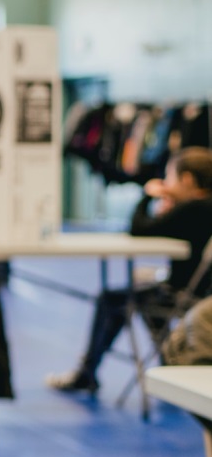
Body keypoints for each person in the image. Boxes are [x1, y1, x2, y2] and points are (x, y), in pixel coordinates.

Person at [47, 147, 212, 395]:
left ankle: (88, 371)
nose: (167, 183)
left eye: (170, 178)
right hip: (197, 295)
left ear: (187, 180)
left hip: (185, 296)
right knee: (145, 295)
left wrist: (147, 196)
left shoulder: (195, 208)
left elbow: (139, 228)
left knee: (113, 299)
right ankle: (167, 365)